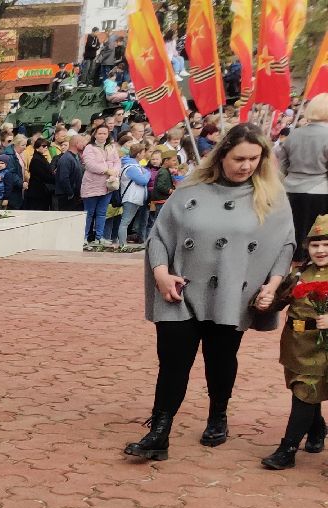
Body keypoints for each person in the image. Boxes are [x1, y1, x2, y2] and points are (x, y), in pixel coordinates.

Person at [125, 125, 296, 462]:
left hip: (232, 294)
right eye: (238, 158)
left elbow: (284, 246)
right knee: (173, 363)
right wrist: (161, 273)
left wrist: (273, 284)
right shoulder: (191, 190)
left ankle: (218, 414)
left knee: (220, 360)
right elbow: (159, 235)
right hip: (180, 290)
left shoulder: (271, 198)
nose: (245, 166)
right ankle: (160, 430)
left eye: (253, 158)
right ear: (221, 156)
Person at [257, 214, 328, 470]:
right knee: (305, 390)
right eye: (315, 244)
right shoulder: (300, 274)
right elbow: (280, 300)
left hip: (323, 347)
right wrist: (266, 301)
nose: (320, 250)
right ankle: (318, 429)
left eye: (326, 244)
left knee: (304, 392)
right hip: (298, 346)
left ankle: (287, 450)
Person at [274, 94, 328, 259]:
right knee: (319, 238)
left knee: (294, 235)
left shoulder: (294, 134)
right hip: (320, 192)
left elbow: (281, 164)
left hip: (291, 190)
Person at [80, 124, 119, 242]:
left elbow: (117, 162)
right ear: (95, 134)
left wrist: (114, 173)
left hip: (108, 185)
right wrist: (107, 170)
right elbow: (90, 164)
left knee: (102, 213)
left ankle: (99, 237)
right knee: (89, 213)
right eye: (100, 133)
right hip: (92, 185)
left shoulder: (111, 147)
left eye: (105, 133)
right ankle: (84, 237)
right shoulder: (89, 148)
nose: (102, 136)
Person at [25, 137, 55, 211]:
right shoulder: (36, 160)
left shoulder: (40, 158)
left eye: (47, 146)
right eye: (43, 146)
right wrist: (55, 178)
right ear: (37, 147)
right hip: (38, 193)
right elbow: (43, 176)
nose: (46, 148)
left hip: (41, 192)